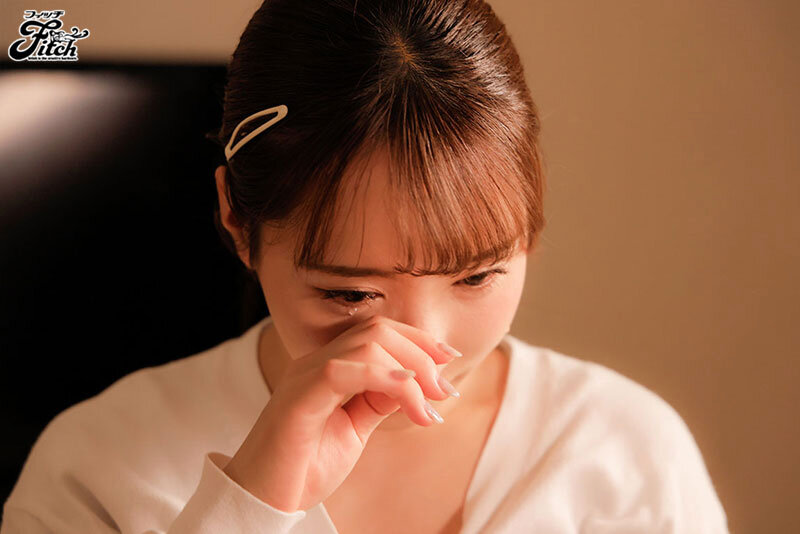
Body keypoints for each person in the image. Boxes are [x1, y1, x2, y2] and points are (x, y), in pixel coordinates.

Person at [1, 1, 730, 533]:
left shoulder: (627, 451)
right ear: (237, 221)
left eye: (476, 276)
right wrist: (251, 505)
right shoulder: (98, 468)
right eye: (349, 292)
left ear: (530, 220)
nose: (419, 345)